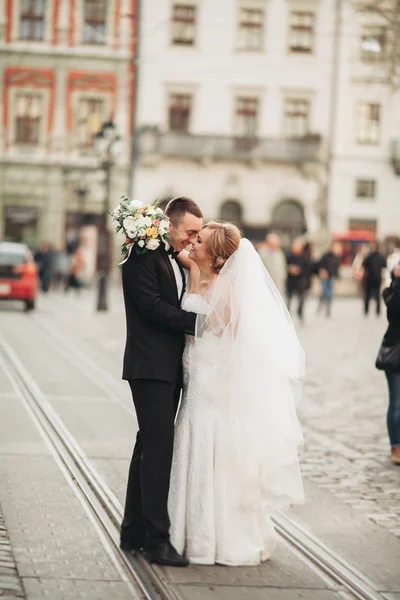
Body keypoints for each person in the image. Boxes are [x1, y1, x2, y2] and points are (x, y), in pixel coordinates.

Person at [169, 222, 304, 565]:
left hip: (211, 379)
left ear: (216, 258)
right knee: (191, 440)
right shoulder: (197, 266)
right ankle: (184, 532)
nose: (192, 242)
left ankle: (216, 538)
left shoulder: (226, 291)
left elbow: (241, 340)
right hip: (194, 376)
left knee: (211, 445)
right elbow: (175, 249)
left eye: (199, 240)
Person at [120, 196, 203, 567]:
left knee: (146, 446)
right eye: (191, 232)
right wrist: (198, 324)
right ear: (170, 224)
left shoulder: (171, 256)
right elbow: (150, 306)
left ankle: (133, 530)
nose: (193, 239)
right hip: (149, 366)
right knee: (158, 451)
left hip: (167, 368)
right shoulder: (141, 255)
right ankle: (157, 541)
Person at [379, 264, 400, 465]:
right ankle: (396, 446)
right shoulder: (390, 293)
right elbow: (395, 311)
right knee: (396, 403)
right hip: (395, 355)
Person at [286, 240, 311, 323]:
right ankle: (287, 315)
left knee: (302, 300)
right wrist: (290, 269)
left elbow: (309, 269)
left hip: (302, 283)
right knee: (289, 300)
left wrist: (299, 270)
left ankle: (300, 313)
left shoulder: (305, 257)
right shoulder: (289, 256)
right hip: (291, 282)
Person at [317, 242, 342, 318]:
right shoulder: (326, 256)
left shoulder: (337, 257)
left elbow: (337, 268)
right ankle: (321, 305)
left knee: (330, 294)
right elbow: (320, 265)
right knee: (325, 292)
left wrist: (338, 276)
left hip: (332, 277)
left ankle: (328, 310)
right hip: (325, 277)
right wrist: (322, 271)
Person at [363, 243, 387, 316]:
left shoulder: (369, 257)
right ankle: (378, 311)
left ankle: (366, 310)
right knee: (377, 295)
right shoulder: (382, 257)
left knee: (367, 295)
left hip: (369, 278)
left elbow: (364, 265)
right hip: (378, 278)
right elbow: (384, 266)